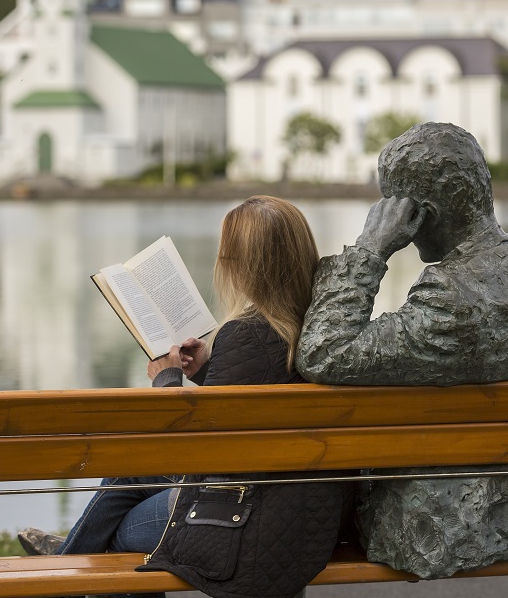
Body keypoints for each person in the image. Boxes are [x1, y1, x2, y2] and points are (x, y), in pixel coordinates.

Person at [19, 195, 348, 598]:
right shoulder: (321, 328)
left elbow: (191, 454)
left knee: (123, 529)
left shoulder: (246, 332)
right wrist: (209, 369)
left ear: (243, 265)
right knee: (130, 472)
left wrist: (168, 381)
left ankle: (67, 566)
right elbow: (251, 407)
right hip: (305, 506)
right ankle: (68, 558)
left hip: (248, 513)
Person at [295, 122, 508, 580]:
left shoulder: (451, 296)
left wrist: (370, 250)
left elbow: (325, 352)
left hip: (441, 528)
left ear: (418, 214)